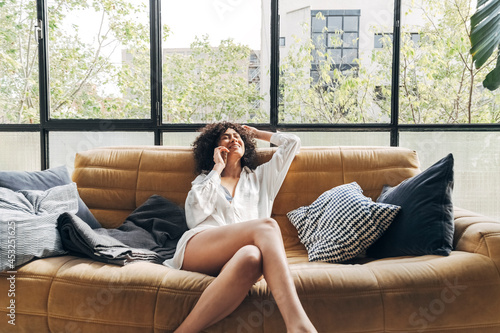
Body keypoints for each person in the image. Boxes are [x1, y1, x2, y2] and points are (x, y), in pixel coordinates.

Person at [163, 121, 317, 333]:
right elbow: (195, 215)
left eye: (238, 137)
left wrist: (255, 133)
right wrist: (217, 168)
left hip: (239, 256)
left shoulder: (262, 177)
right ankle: (297, 325)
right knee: (267, 226)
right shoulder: (205, 179)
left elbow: (292, 143)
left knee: (253, 257)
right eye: (226, 137)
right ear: (215, 148)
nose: (234, 139)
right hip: (200, 246)